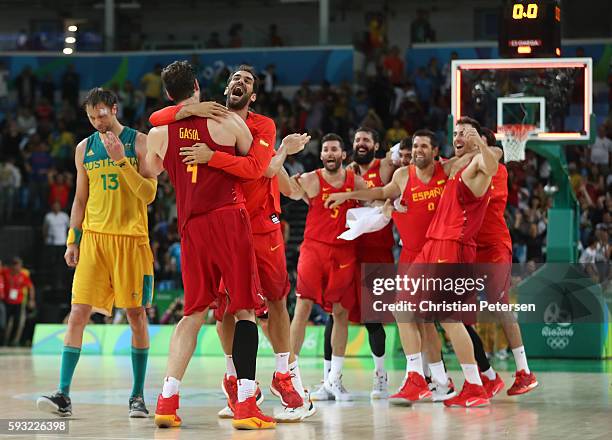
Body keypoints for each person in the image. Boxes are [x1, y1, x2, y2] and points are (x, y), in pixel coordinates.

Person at [148, 64, 313, 421]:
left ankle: (284, 374)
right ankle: (239, 387)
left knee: (270, 299)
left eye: (247, 81)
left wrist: (213, 154)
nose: (240, 82)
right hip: (230, 221)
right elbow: (261, 168)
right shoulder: (220, 120)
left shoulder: (258, 124)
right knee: (235, 310)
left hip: (235, 225)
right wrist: (190, 111)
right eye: (235, 78)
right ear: (214, 88)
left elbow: (266, 169)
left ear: (253, 95)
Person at [37, 88, 157, 418]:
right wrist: (72, 240)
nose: (97, 121)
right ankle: (63, 394)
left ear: (115, 109)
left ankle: (137, 396)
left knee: (136, 316)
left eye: (102, 114)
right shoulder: (83, 149)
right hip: (93, 240)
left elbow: (148, 194)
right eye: (91, 117)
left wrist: (121, 161)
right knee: (77, 312)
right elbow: (80, 199)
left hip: (131, 241)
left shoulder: (139, 142)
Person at [312, 127, 396, 401]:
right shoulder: (347, 173)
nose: (361, 144)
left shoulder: (383, 167)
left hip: (377, 254)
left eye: (366, 140)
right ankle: (328, 381)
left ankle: (380, 377)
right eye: (357, 139)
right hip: (347, 251)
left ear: (376, 144)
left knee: (373, 319)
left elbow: (402, 153)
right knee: (335, 315)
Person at [287, 133, 368, 401]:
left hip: (344, 252)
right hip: (313, 249)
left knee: (341, 313)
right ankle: (288, 375)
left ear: (344, 155)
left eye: (335, 149)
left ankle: (334, 380)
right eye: (326, 150)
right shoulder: (311, 179)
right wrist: (276, 158)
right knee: (302, 308)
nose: (331, 153)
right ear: (321, 155)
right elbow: (286, 189)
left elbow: (378, 199)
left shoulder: (355, 181)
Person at [474, 127, 538, 396]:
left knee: (500, 306)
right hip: (469, 249)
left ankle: (524, 371)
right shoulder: (462, 168)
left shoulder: (496, 170)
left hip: (494, 247)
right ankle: (485, 374)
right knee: (460, 314)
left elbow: (480, 197)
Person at [3, 257, 35, 346]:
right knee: (4, 322)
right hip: (6, 302)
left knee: (17, 322)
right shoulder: (5, 272)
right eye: (16, 265)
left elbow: (30, 287)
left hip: (18, 303)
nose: (17, 267)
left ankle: (12, 341)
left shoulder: (23, 275)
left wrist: (31, 300)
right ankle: (3, 341)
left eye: (19, 265)